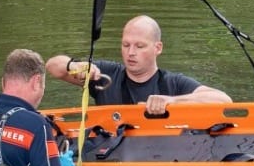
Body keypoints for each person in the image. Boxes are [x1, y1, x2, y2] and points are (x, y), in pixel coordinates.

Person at [45, 15, 230, 114]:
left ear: (158, 48)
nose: (130, 52)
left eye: (139, 46)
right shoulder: (105, 76)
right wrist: (75, 67)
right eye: (126, 45)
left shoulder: (173, 84)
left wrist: (173, 101)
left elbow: (223, 101)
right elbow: (53, 66)